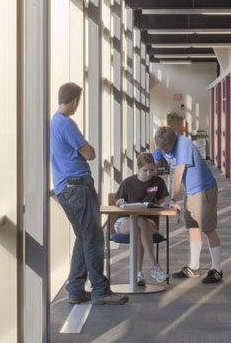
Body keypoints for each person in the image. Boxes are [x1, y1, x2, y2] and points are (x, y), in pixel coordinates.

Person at [50, 82, 127, 306]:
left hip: (65, 189)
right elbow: (90, 153)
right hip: (78, 189)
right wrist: (86, 149)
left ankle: (75, 288)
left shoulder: (52, 123)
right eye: (78, 102)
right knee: (94, 238)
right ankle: (100, 291)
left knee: (83, 237)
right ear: (74, 101)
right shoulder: (65, 124)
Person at [155, 121, 223, 285]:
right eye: (161, 149)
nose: (163, 152)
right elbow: (153, 167)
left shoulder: (183, 144)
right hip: (190, 191)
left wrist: (172, 199)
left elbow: (178, 174)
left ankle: (217, 269)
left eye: (166, 149)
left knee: (208, 228)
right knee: (192, 227)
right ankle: (194, 267)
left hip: (204, 189)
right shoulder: (162, 145)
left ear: (172, 142)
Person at [111, 151, 169, 285]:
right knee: (139, 223)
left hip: (147, 223)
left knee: (139, 227)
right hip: (124, 222)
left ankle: (138, 274)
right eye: (145, 170)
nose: (149, 174)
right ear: (138, 169)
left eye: (152, 170)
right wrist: (119, 203)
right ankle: (154, 267)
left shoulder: (158, 182)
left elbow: (161, 203)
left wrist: (166, 205)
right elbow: (118, 203)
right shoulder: (127, 183)